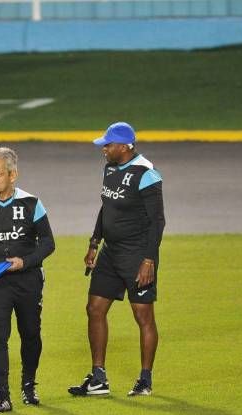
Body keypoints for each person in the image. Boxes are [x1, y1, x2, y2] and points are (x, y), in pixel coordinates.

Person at [68, 122, 165, 398]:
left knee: (142, 315)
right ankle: (98, 378)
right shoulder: (110, 168)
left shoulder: (146, 174)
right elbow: (106, 207)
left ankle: (145, 380)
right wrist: (94, 242)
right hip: (110, 253)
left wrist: (149, 260)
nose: (104, 149)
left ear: (123, 146)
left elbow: (158, 221)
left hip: (137, 255)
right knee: (94, 308)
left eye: (108, 145)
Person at [0, 147, 55, 413]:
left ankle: (28, 385)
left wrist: (24, 262)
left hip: (28, 280)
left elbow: (48, 243)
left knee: (30, 334)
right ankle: (2, 396)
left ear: (12, 175)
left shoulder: (31, 204)